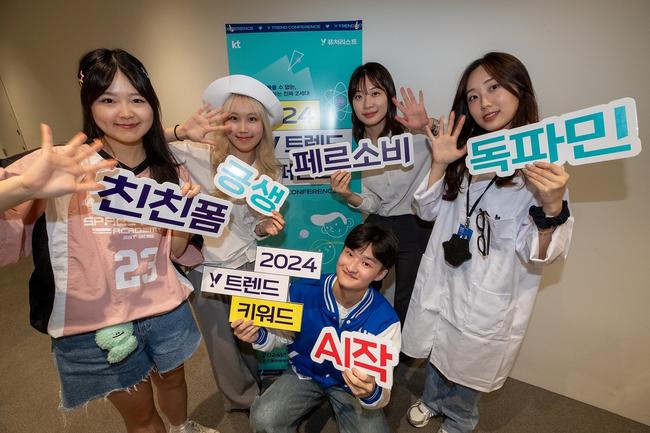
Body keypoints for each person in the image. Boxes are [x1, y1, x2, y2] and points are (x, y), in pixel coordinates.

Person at [0, 48, 218, 433]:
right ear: (89, 103)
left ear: (152, 104)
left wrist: (183, 218)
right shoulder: (62, 165)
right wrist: (24, 187)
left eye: (137, 99)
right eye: (108, 100)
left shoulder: (169, 169)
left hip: (162, 305)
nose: (126, 112)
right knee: (140, 413)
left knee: (174, 380)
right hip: (96, 321)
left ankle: (183, 427)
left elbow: (176, 251)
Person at [402, 52, 574, 433]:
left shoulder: (541, 163)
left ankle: (460, 420)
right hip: (446, 274)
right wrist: (439, 163)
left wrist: (552, 207)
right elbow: (427, 212)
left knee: (470, 361)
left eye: (494, 87)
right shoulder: (463, 149)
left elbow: (539, 254)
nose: (484, 103)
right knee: (437, 343)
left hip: (490, 292)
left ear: (520, 89)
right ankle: (432, 400)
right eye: (474, 96)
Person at [166, 74, 286, 411]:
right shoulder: (197, 153)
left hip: (247, 262)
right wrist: (180, 131)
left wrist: (265, 227)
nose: (243, 128)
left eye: (252, 119)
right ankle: (243, 401)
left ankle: (256, 387)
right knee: (220, 341)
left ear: (264, 126)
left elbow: (252, 228)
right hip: (205, 266)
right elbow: (142, 141)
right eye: (233, 118)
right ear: (222, 122)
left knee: (248, 331)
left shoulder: (270, 170)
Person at [232, 222, 401, 433]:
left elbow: (383, 389)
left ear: (380, 274)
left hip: (349, 386)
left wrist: (370, 391)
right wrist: (258, 335)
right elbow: (283, 336)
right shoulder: (302, 290)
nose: (351, 267)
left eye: (366, 263)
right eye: (349, 253)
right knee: (264, 419)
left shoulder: (386, 321)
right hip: (305, 372)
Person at [329, 62, 435, 326]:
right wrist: (347, 194)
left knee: (408, 299)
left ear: (389, 96)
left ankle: (399, 349)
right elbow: (373, 202)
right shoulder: (357, 148)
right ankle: (357, 339)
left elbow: (455, 140)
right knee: (359, 288)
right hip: (379, 224)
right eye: (358, 96)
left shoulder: (414, 134)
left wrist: (426, 126)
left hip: (416, 224)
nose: (367, 103)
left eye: (375, 93)